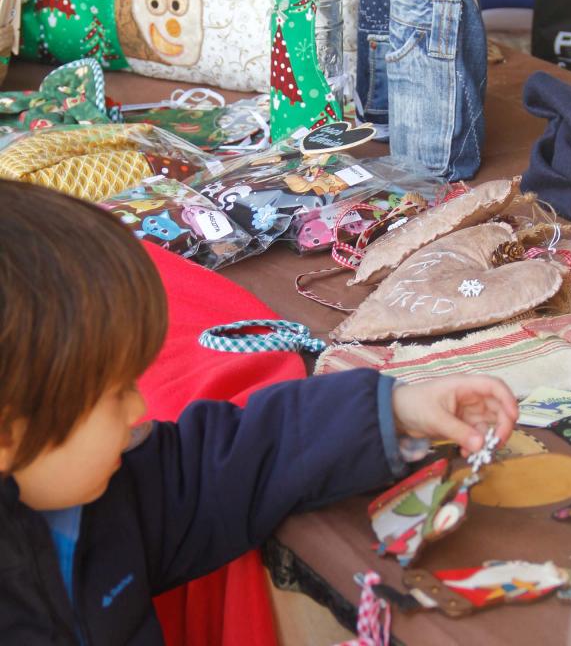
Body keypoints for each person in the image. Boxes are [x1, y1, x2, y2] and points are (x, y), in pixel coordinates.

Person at [0, 178, 517, 645]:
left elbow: (231, 461)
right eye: (113, 395)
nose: (138, 407)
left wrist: (395, 408)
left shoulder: (114, 496)